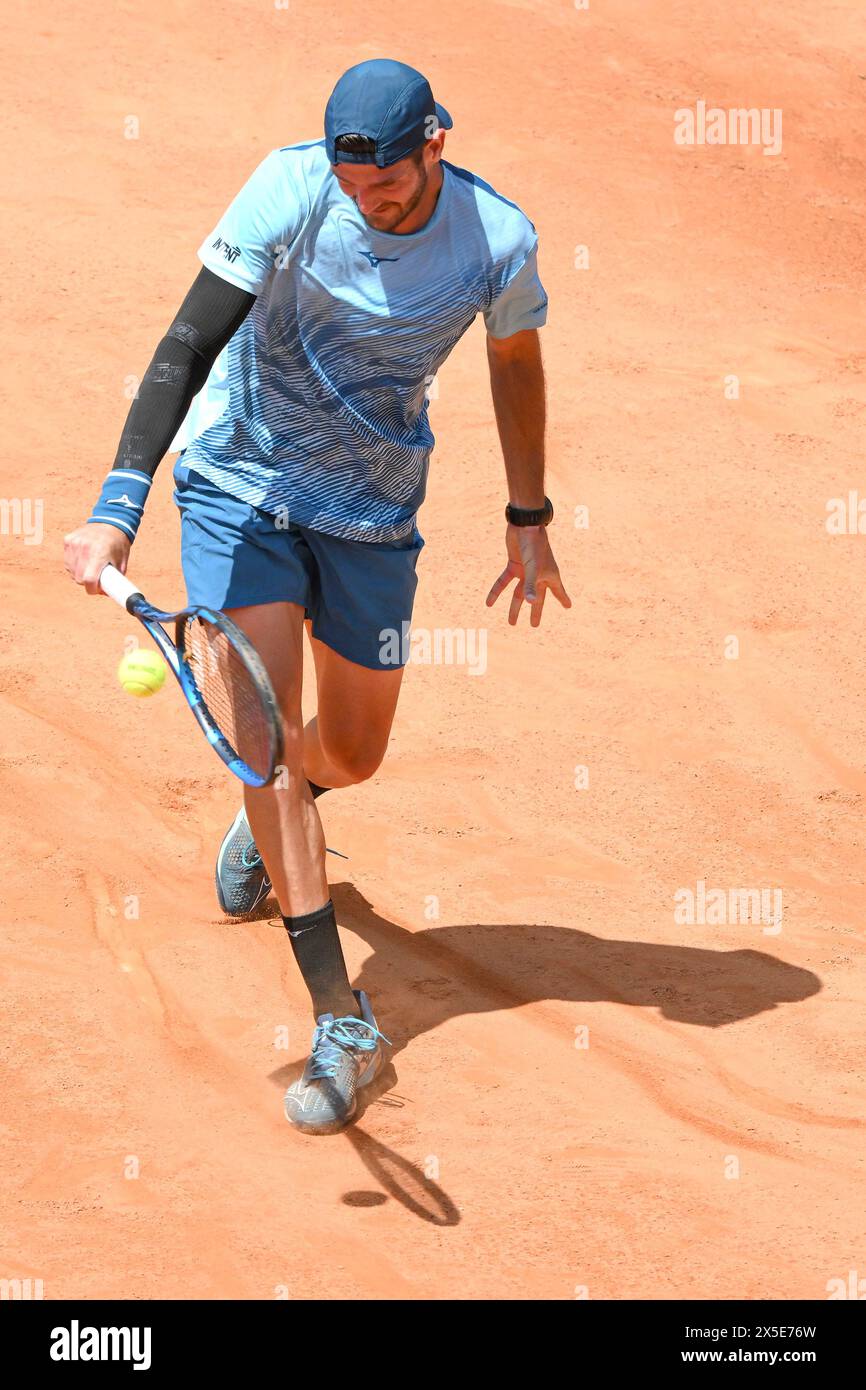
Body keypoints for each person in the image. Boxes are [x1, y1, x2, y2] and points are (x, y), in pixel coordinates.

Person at [64, 58, 571, 1135]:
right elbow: (187, 340)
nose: (367, 199)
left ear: (435, 141)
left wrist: (528, 513)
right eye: (353, 181)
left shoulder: (494, 240)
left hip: (371, 512)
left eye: (385, 182)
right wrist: (119, 501)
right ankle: (339, 1017)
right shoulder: (291, 188)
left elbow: (513, 362)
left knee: (344, 753)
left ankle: (281, 809)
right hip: (237, 484)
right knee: (259, 732)